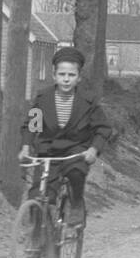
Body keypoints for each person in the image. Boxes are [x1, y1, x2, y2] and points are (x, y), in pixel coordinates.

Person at [19, 46, 114, 226]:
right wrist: (25, 147)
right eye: (62, 74)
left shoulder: (88, 101)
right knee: (40, 195)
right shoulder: (43, 98)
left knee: (76, 173)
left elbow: (103, 129)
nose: (66, 79)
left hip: (75, 150)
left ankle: (76, 204)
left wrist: (93, 150)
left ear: (78, 77)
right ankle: (38, 238)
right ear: (54, 75)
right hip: (49, 151)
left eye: (71, 75)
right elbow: (32, 126)